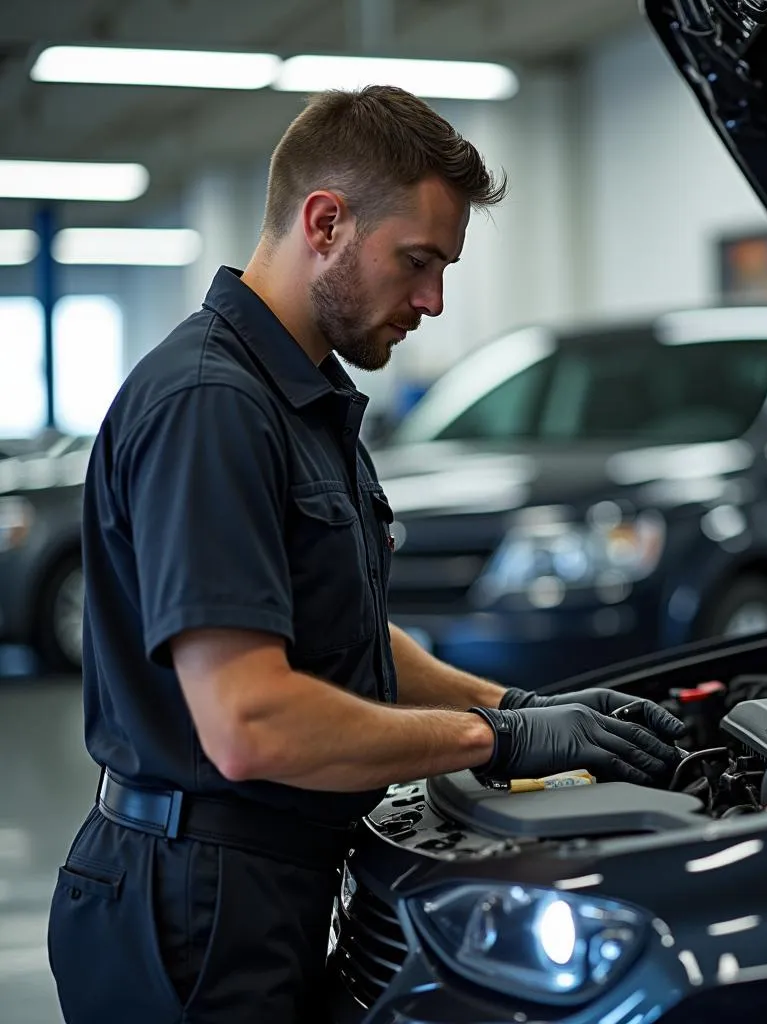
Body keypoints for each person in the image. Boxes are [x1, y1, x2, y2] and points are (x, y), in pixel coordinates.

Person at [47, 85, 684, 1024]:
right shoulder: (211, 406)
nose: (431, 300)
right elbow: (250, 721)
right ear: (326, 221)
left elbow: (342, 639)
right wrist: (495, 742)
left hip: (257, 886)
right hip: (192, 912)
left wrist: (518, 705)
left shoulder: (297, 399)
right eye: (418, 261)